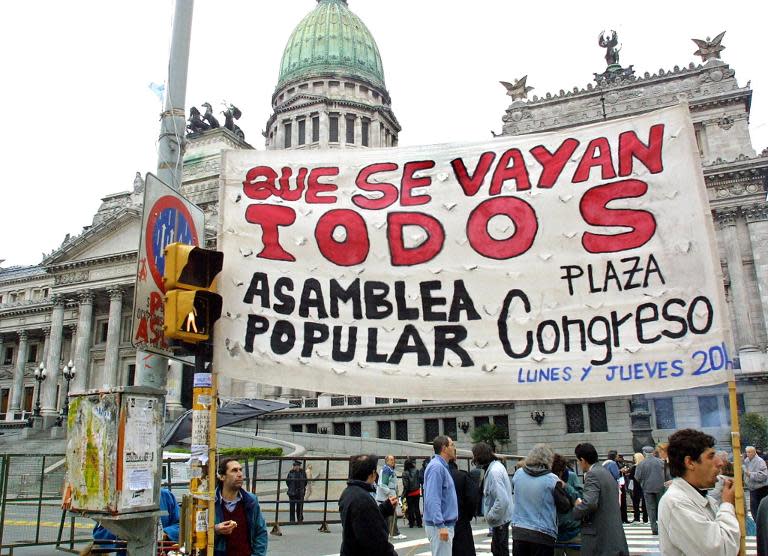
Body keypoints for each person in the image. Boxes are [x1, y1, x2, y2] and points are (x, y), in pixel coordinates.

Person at [657, 428, 739, 555]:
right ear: (690, 462)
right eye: (711, 456)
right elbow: (721, 550)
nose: (720, 463)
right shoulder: (677, 503)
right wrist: (727, 504)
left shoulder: (697, 496)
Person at [510, 444, 571, 556]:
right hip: (543, 534)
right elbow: (565, 506)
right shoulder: (552, 480)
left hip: (519, 531)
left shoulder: (518, 474)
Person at [572, 442, 629, 556]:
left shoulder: (592, 474)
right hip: (613, 536)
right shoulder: (605, 472)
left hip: (600, 538)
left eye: (579, 461)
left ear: (582, 460)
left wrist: (577, 506)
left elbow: (590, 504)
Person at [338, 454, 398, 556]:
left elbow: (367, 519)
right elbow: (376, 540)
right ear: (372, 474)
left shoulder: (348, 492)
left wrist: (385, 508)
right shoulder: (362, 499)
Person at [92, 488, 180, 552]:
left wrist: (166, 534)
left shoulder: (165, 496)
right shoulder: (118, 500)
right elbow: (99, 535)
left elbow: (180, 526)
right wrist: (125, 532)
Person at [214, 457, 268, 556]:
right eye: (234, 471)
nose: (240, 474)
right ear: (222, 477)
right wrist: (216, 530)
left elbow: (260, 532)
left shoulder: (251, 501)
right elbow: (197, 535)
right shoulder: (211, 502)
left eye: (240, 470)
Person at [424, 436, 459, 556]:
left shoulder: (441, 466)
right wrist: (440, 525)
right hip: (440, 526)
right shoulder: (436, 467)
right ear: (444, 448)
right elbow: (433, 498)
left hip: (443, 524)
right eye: (452, 445)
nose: (454, 448)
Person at [552, 453, 582, 555]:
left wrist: (566, 486)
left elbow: (581, 499)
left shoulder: (572, 477)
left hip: (574, 531)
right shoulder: (548, 479)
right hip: (555, 533)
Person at [448, 459, 480, 555]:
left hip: (443, 522)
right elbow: (472, 498)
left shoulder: (437, 476)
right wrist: (469, 515)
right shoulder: (462, 476)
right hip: (461, 519)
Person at [633, 445, 665, 535]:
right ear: (653, 452)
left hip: (647, 488)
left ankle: (654, 528)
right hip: (660, 487)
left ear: (644, 453)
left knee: (651, 509)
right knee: (661, 507)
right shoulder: (660, 462)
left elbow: (637, 477)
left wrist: (643, 482)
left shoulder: (641, 464)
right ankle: (663, 527)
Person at [377, 454, 406, 539]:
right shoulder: (387, 470)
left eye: (393, 460)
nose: (393, 461)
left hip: (388, 495)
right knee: (392, 515)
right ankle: (394, 533)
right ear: (386, 461)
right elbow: (383, 484)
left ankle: (390, 532)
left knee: (389, 515)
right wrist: (390, 493)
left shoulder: (389, 469)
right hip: (387, 496)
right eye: (391, 460)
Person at [745, 445, 768, 519]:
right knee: (753, 510)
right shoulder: (746, 461)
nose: (747, 454)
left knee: (761, 509)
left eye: (749, 452)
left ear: (754, 452)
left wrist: (751, 474)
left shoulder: (760, 461)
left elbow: (764, 475)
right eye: (747, 452)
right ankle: (756, 524)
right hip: (752, 488)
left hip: (761, 489)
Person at [402, 458, 424, 528]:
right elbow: (419, 480)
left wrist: (403, 494)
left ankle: (411, 523)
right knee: (417, 508)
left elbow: (406, 485)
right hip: (417, 491)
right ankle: (419, 523)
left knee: (410, 508)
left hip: (409, 493)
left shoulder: (405, 473)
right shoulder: (416, 470)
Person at [626, 452, 647, 523]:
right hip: (644, 485)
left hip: (636, 486)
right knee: (644, 503)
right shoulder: (645, 466)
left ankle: (637, 517)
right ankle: (645, 517)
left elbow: (631, 476)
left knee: (636, 503)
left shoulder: (635, 467)